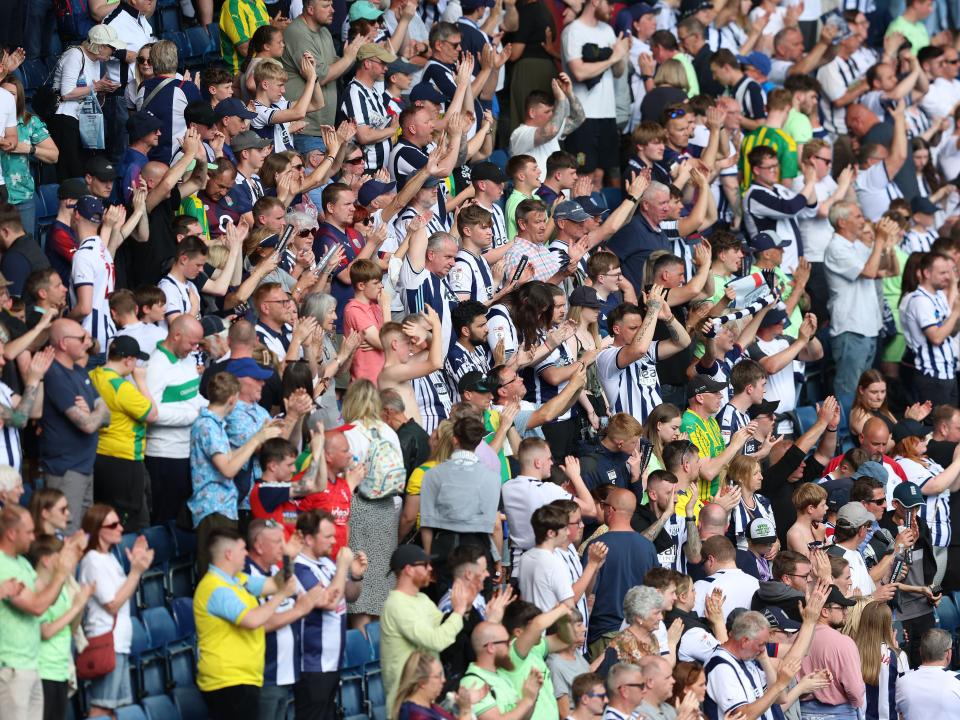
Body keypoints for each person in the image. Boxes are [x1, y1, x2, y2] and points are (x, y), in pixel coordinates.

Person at [193, 526, 298, 720]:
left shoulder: (237, 580)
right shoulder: (215, 587)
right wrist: (281, 596)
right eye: (242, 549)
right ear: (228, 554)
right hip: (227, 681)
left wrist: (288, 558)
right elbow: (253, 620)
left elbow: (275, 584)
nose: (246, 554)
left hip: (242, 678)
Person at [189, 371, 284, 574]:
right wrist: (257, 439)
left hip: (224, 507)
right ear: (233, 399)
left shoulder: (216, 425)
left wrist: (259, 436)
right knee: (216, 572)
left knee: (230, 572)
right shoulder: (207, 426)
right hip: (212, 508)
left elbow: (230, 457)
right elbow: (228, 469)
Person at [0, 506, 83, 720]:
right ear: (11, 533)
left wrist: (65, 564)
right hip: (12, 670)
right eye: (28, 532)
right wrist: (61, 572)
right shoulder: (2, 565)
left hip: (30, 665)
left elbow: (48, 597)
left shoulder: (22, 564)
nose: (33, 537)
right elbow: (37, 606)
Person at [78, 504, 154, 717]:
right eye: (113, 524)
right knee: (101, 707)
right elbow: (112, 604)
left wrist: (136, 568)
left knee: (114, 708)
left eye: (120, 523)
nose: (120, 528)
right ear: (97, 529)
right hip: (105, 641)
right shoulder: (93, 560)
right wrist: (136, 572)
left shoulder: (109, 558)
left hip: (117, 643)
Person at [293, 509, 366, 720]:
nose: (334, 541)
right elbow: (328, 602)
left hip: (333, 662)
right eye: (328, 536)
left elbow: (350, 595)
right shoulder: (299, 568)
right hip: (312, 665)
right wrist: (343, 567)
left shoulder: (326, 562)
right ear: (308, 538)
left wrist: (356, 576)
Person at [381, 545, 473, 711]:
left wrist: (465, 606)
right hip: (405, 705)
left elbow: (444, 625)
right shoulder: (396, 605)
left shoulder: (422, 598)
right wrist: (458, 612)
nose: (430, 568)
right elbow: (435, 641)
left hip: (426, 698)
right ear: (408, 570)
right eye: (425, 565)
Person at [41, 319, 108, 534]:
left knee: (83, 534)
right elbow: (88, 425)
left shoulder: (78, 371)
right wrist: (94, 413)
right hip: (65, 469)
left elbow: (107, 416)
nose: (87, 343)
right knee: (66, 533)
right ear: (63, 343)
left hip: (85, 466)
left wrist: (93, 413)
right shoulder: (55, 374)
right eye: (81, 339)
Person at [88, 335, 157, 532]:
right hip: (125, 459)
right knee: (128, 521)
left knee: (103, 516)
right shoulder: (122, 387)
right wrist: (141, 381)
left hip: (99, 455)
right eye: (135, 360)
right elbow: (152, 414)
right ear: (128, 360)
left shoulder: (93, 375)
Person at [146, 315, 209, 525]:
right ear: (176, 335)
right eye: (192, 343)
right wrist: (191, 416)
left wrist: (211, 408)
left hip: (187, 451)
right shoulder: (156, 365)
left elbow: (193, 397)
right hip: (164, 453)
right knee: (164, 517)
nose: (194, 348)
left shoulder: (187, 359)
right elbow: (150, 412)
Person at [583, 488, 658, 656]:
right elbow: (655, 589)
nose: (602, 508)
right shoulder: (647, 547)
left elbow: (586, 594)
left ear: (610, 509)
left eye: (604, 505)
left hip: (605, 633)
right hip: (639, 632)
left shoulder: (597, 546)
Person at [47, 25, 123, 182]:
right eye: (111, 47)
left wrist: (103, 90)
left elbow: (90, 93)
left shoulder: (96, 61)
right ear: (100, 46)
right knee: (71, 170)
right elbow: (66, 93)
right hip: (65, 119)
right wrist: (96, 87)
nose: (113, 52)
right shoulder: (75, 55)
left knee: (83, 167)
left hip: (82, 120)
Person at [704, 611, 802, 720]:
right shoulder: (721, 667)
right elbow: (744, 716)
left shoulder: (747, 658)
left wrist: (765, 661)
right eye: (761, 644)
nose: (763, 649)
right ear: (745, 641)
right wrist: (780, 684)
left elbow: (780, 698)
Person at [900, 251, 960, 406]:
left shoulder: (938, 295)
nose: (948, 277)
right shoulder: (919, 300)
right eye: (942, 273)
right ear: (926, 273)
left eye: (949, 272)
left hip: (947, 370)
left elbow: (950, 330)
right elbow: (936, 337)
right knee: (934, 427)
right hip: (931, 374)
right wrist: (955, 313)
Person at [850, 600, 908, 720]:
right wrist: (895, 651)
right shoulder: (898, 656)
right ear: (888, 624)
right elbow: (904, 696)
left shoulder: (851, 651)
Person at [392, 650, 479, 720]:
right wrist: (465, 710)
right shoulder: (416, 716)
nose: (443, 680)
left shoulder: (427, 705)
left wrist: (459, 704)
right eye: (438, 676)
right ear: (422, 682)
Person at [692, 536, 760, 621]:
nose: (703, 568)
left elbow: (692, 623)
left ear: (711, 560)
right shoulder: (757, 583)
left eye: (703, 563)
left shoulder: (702, 586)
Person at [896, 628, 960, 715]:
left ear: (920, 652)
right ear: (949, 654)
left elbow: (898, 714)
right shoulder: (957, 682)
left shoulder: (901, 681)